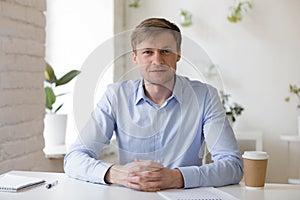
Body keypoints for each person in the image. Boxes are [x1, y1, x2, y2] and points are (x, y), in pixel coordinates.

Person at [64, 18, 243, 192]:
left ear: (178, 55)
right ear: (135, 57)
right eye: (148, 52)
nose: (157, 60)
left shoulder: (205, 96)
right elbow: (73, 159)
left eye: (165, 51)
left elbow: (232, 165)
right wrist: (118, 174)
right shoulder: (115, 96)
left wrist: (177, 177)